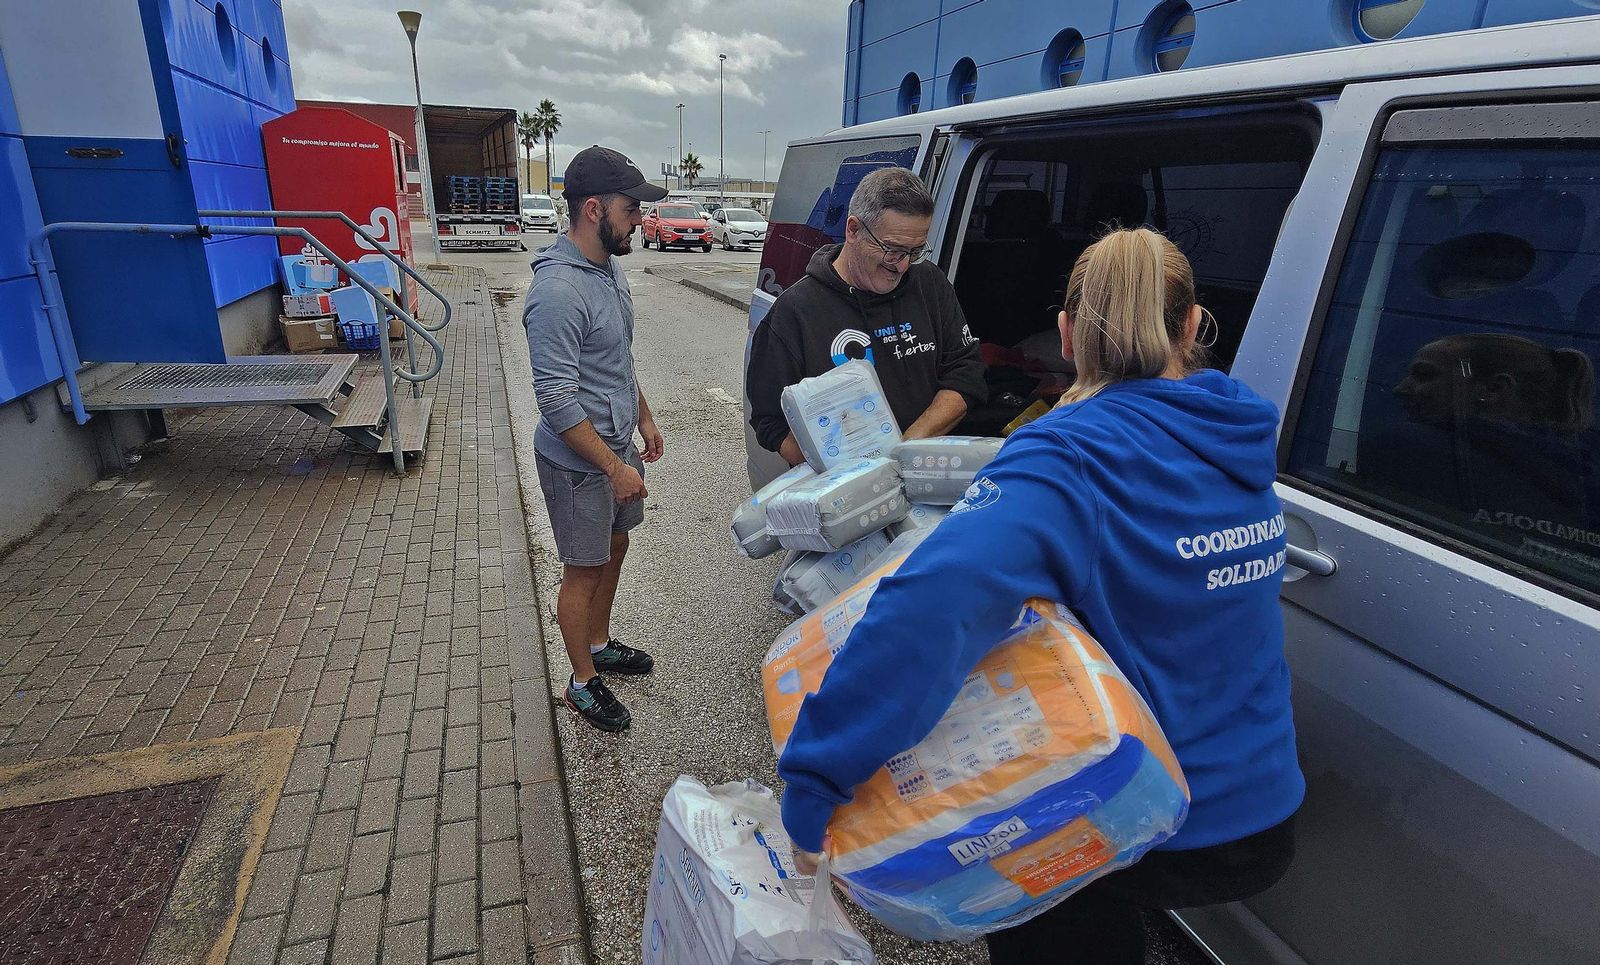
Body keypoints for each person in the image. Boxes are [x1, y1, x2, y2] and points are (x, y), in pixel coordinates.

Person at [777, 228, 1303, 963]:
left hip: (1143, 804)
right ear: (1192, 325)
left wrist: (815, 776)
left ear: (1064, 333)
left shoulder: (1068, 454)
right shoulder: (1237, 434)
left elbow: (930, 610)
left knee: (1047, 915)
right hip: (1259, 808)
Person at [524, 146, 667, 732]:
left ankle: (600, 641)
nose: (640, 219)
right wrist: (614, 467)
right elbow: (556, 401)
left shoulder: (606, 268)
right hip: (580, 462)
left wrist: (645, 417)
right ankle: (582, 682)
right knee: (583, 568)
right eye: (631, 208)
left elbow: (616, 361)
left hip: (613, 445)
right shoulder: (557, 293)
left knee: (616, 545)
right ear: (592, 209)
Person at [746, 167, 987, 466]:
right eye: (892, 250)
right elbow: (771, 422)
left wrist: (904, 449)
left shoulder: (930, 284)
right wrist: (839, 473)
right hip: (844, 492)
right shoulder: (795, 311)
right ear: (853, 229)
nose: (902, 266)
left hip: (928, 474)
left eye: (915, 251)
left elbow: (965, 374)